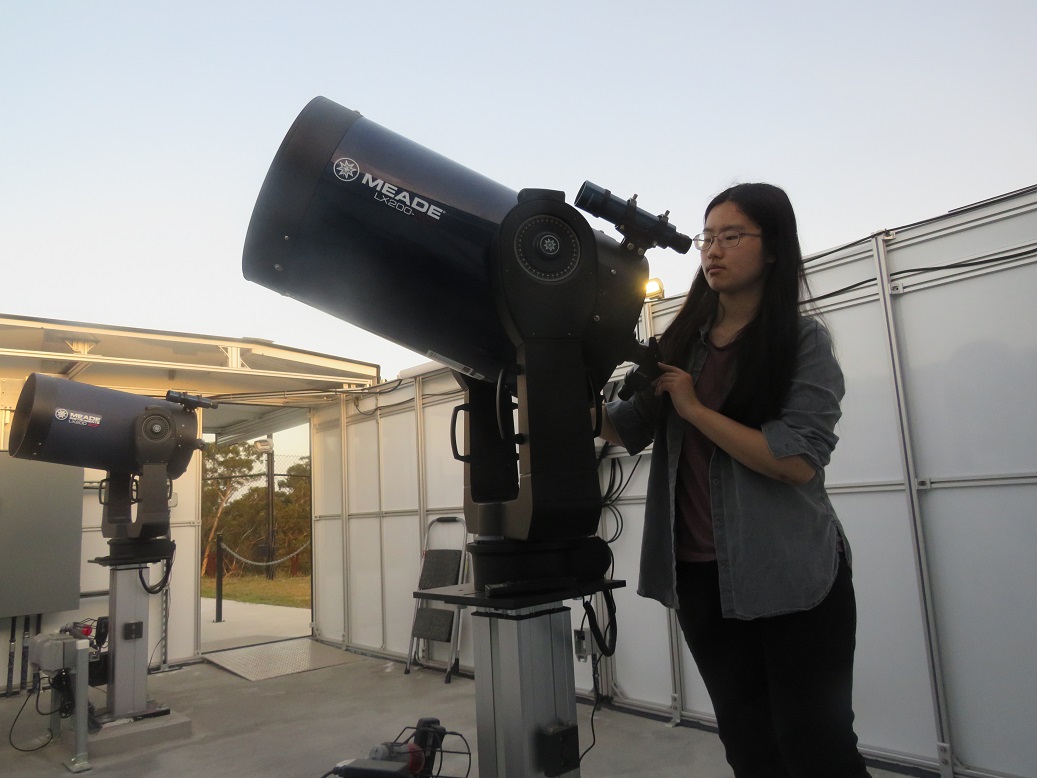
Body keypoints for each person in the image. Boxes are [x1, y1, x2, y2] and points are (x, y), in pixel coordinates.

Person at [597, 183, 870, 777]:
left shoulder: (803, 343)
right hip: (702, 582)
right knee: (749, 745)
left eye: (731, 236)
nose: (713, 251)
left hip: (792, 575)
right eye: (706, 238)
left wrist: (695, 411)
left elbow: (796, 460)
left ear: (772, 249)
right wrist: (551, 378)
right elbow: (625, 430)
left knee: (816, 745)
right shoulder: (679, 344)